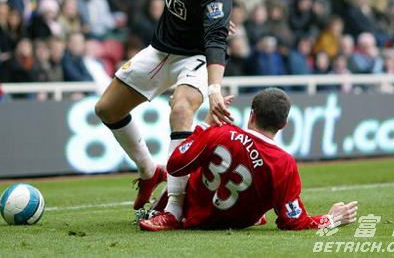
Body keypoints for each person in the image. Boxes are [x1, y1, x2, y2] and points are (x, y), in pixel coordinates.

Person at [95, 0, 235, 219]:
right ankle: (149, 171)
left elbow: (216, 38)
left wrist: (214, 90)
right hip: (161, 48)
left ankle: (173, 208)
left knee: (181, 109)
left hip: (196, 56)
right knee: (106, 109)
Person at [139, 88, 358, 231]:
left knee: (192, 161)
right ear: (284, 125)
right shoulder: (284, 164)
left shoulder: (221, 132)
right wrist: (332, 219)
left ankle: (168, 204)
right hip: (236, 220)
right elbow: (293, 221)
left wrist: (205, 125)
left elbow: (177, 165)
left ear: (251, 114)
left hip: (193, 215)